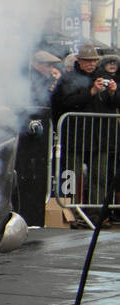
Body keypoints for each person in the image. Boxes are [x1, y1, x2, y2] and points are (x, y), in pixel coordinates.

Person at [53, 44, 118, 212]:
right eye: (87, 61)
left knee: (100, 177)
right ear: (79, 61)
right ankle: (69, 211)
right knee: (71, 175)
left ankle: (96, 213)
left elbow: (115, 104)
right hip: (75, 137)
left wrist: (112, 92)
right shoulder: (68, 78)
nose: (91, 64)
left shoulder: (104, 77)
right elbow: (64, 103)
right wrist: (91, 92)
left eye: (94, 61)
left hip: (101, 138)